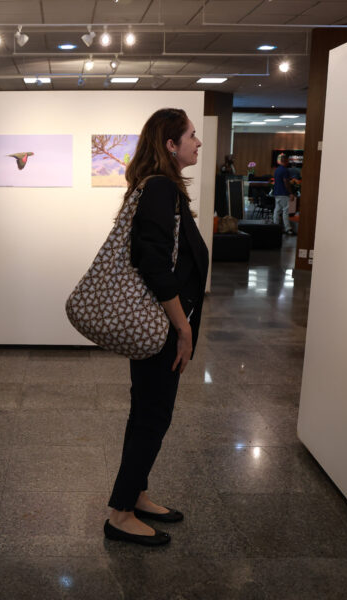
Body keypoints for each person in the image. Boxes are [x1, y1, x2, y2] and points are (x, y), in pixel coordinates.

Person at [105, 108, 209, 547]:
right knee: (152, 416)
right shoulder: (162, 188)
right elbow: (153, 262)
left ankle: (136, 494)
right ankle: (120, 514)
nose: (198, 142)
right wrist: (182, 327)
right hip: (162, 325)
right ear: (170, 144)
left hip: (161, 322)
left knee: (146, 412)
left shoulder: (161, 187)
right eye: (191, 135)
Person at [273, 153, 296, 235]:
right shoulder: (285, 170)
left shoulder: (277, 170)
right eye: (288, 160)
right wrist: (291, 193)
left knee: (277, 210)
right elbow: (286, 182)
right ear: (285, 161)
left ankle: (275, 227)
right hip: (284, 193)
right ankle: (288, 229)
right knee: (285, 211)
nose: (288, 162)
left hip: (277, 193)